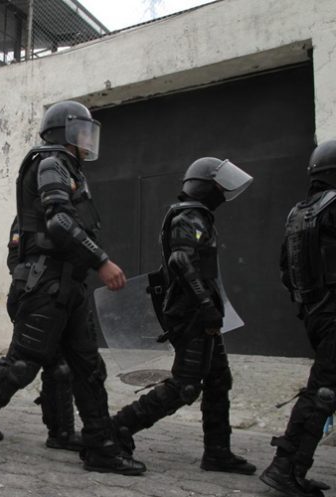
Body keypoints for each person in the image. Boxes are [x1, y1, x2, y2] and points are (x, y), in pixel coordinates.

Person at [0, 100, 145, 474]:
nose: (86, 140)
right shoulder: (51, 163)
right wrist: (101, 261)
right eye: (80, 131)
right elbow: (60, 223)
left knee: (88, 368)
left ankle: (100, 446)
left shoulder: (69, 167)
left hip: (69, 285)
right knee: (21, 365)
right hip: (47, 283)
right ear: (62, 132)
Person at [111, 157, 256, 475]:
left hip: (203, 313)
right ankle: (117, 429)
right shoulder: (188, 217)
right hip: (191, 314)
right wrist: (205, 305)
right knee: (185, 386)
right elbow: (181, 260)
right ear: (205, 185)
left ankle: (218, 452)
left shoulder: (198, 217)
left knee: (219, 379)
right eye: (218, 184)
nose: (222, 190)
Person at [260, 140, 336, 497]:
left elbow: (284, 270)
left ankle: (289, 466)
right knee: (322, 392)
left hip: (315, 312)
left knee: (323, 389)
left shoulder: (299, 213)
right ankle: (285, 468)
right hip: (333, 313)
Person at [6, 217, 82, 451]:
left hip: (58, 298)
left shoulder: (67, 215)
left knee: (59, 368)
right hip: (33, 298)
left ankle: (61, 432)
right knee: (18, 367)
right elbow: (14, 260)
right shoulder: (28, 218)